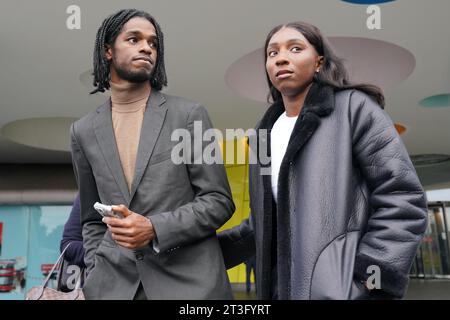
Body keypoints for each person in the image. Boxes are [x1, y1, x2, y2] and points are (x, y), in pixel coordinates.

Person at [219, 21, 428, 300]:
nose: (281, 57)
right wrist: (195, 256)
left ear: (319, 62)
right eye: (272, 53)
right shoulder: (263, 133)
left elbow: (403, 198)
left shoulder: (355, 108)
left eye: (295, 48)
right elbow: (261, 225)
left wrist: (370, 282)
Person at [70, 9, 235, 300]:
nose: (146, 47)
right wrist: (97, 267)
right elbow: (91, 219)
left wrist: (154, 228)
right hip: (115, 287)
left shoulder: (190, 115)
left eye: (153, 43)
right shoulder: (82, 131)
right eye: (134, 39)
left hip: (189, 288)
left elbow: (218, 201)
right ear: (108, 50)